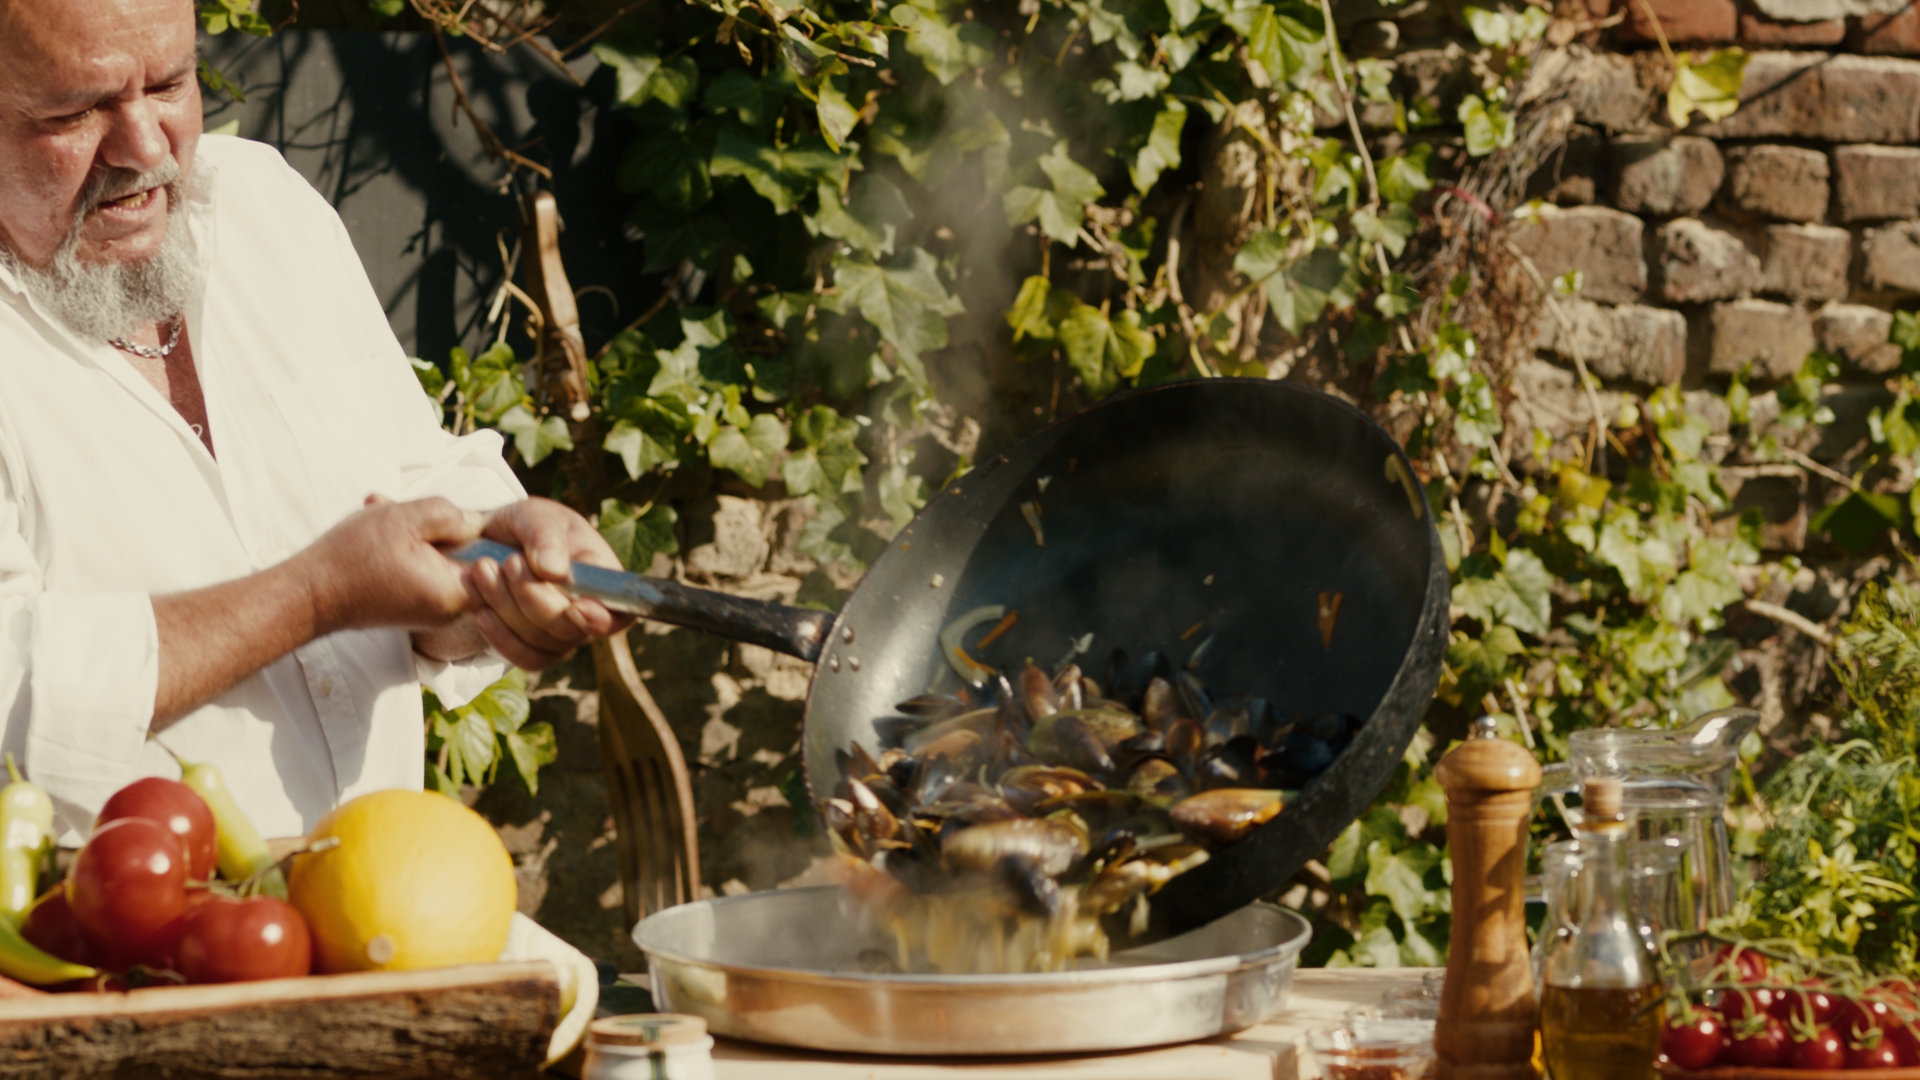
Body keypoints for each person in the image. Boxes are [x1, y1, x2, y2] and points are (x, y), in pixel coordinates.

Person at [0, 0, 631, 842]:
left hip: (371, 914)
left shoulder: (263, 206)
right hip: (92, 950)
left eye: (169, 84)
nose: (146, 150)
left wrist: (489, 569)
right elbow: (12, 694)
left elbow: (407, 481)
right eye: (76, 111)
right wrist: (317, 594)